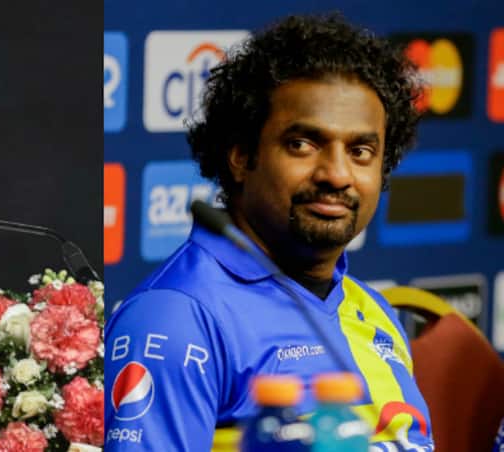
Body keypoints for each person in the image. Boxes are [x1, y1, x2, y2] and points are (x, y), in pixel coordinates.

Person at [104, 15, 435, 451]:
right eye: (303, 144)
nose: (337, 174)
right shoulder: (174, 319)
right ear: (241, 155)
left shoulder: (372, 311)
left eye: (360, 151)